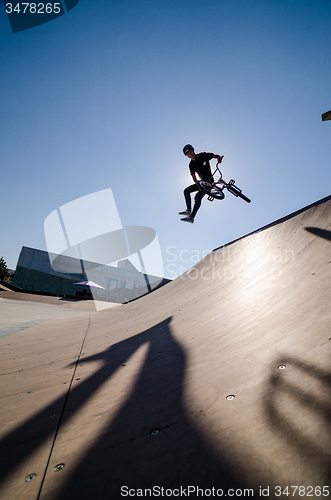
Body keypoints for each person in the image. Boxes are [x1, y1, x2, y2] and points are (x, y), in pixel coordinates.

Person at [179, 144, 224, 223]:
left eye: (191, 152)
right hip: (201, 183)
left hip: (209, 180)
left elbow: (214, 156)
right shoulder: (191, 165)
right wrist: (197, 183)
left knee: (200, 192)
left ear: (193, 150)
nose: (191, 154)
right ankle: (189, 212)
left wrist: (218, 158)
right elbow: (193, 176)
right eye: (188, 154)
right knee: (187, 191)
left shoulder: (202, 155)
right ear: (188, 156)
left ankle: (191, 216)